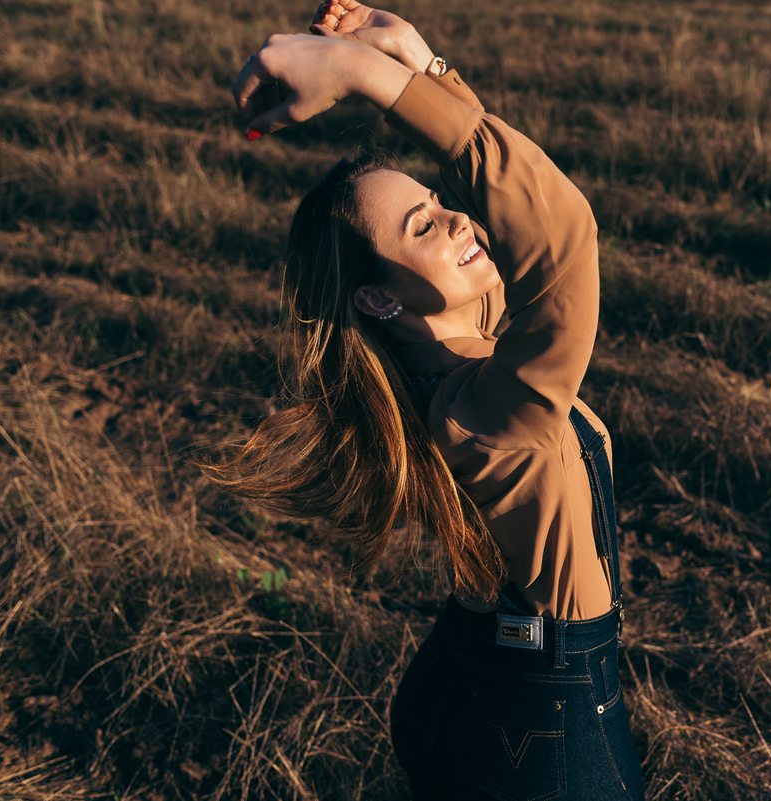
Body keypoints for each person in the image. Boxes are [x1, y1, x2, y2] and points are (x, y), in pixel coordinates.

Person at [210, 2, 647, 798]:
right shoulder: (488, 409)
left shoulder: (454, 372)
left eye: (438, 199)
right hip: (542, 736)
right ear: (378, 301)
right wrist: (360, 76)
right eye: (423, 224)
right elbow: (562, 236)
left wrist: (419, 62)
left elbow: (506, 189)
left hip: (485, 690)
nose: (457, 215)